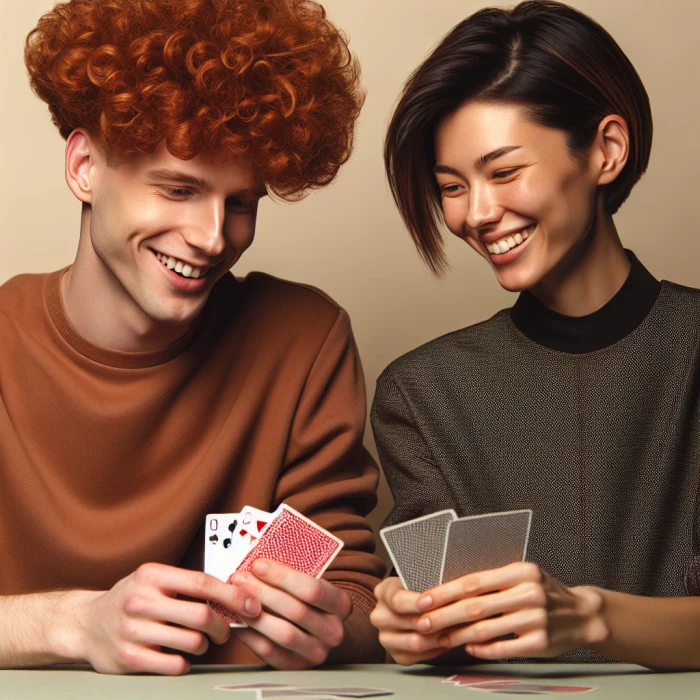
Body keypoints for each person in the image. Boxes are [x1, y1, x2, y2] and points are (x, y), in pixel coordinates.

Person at [0, 0, 386, 675]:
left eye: (241, 203)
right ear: (85, 167)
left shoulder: (302, 339)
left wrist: (328, 624)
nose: (213, 237)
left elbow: (356, 599)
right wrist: (76, 624)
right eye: (179, 189)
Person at [369, 0, 700, 670]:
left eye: (504, 170)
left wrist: (593, 617)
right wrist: (412, 625)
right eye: (452, 186)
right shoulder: (419, 394)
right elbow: (444, 627)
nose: (479, 214)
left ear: (607, 150)